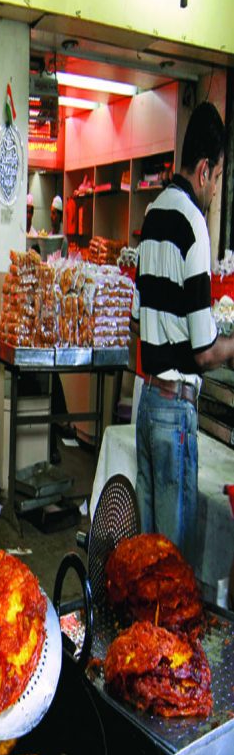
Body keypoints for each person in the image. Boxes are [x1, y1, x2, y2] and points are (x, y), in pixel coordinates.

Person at [132, 100, 234, 564]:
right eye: (219, 177)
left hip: (147, 404)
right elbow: (205, 351)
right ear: (206, 169)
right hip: (175, 413)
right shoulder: (194, 224)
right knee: (172, 570)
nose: (216, 190)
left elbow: (138, 314)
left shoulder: (153, 216)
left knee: (147, 560)